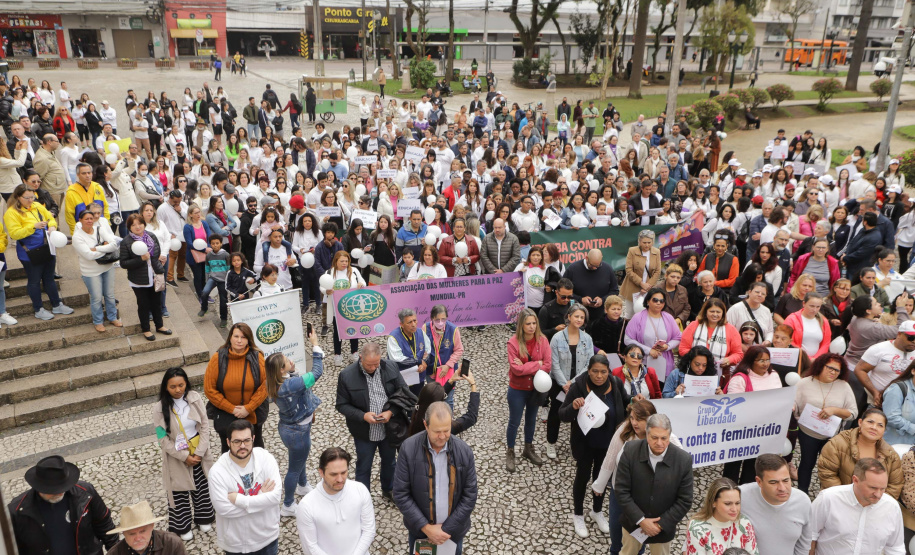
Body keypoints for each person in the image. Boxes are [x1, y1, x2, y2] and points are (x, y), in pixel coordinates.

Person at [393, 402, 478, 554]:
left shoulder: (464, 452)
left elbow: (470, 495)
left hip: (452, 534)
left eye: (446, 430)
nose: (442, 436)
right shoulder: (408, 449)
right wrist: (426, 528)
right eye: (437, 431)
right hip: (420, 533)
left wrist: (445, 529)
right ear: (425, 425)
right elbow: (400, 493)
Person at [559, 354, 629, 538]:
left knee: (601, 478)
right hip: (585, 443)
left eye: (603, 372)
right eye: (595, 371)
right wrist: (573, 406)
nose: (599, 376)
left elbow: (626, 402)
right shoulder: (578, 387)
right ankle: (578, 514)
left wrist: (635, 403)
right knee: (582, 478)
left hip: (608, 443)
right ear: (588, 371)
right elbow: (562, 414)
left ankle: (597, 511)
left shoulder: (616, 384)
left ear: (609, 372)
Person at [335, 342, 407, 499]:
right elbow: (341, 405)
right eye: (369, 365)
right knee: (364, 465)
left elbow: (403, 393)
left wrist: (391, 412)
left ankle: (389, 490)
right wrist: (362, 416)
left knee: (390, 462)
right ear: (360, 358)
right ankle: (363, 497)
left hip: (389, 428)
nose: (374, 368)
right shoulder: (346, 375)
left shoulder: (391, 367)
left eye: (377, 364)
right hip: (363, 432)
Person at [615, 413, 694, 555]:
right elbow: (621, 491)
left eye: (664, 438)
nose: (659, 443)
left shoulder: (683, 460)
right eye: (654, 437)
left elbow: (685, 500)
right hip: (633, 523)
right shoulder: (630, 451)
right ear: (646, 435)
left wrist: (660, 524)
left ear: (669, 436)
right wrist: (641, 520)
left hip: (662, 530)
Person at [266, 329, 324, 517]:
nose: (291, 360)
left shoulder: (277, 382)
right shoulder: (291, 385)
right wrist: (315, 344)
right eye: (286, 361)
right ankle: (288, 505)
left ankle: (302, 485)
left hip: (291, 428)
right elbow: (316, 372)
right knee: (294, 467)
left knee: (299, 459)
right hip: (297, 431)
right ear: (281, 370)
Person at [8, 455, 117, 555]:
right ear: (38, 487)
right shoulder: (17, 511)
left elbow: (104, 525)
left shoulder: (86, 493)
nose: (60, 492)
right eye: (53, 490)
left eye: (63, 487)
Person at [153, 368, 215, 540]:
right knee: (179, 491)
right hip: (176, 455)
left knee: (202, 486)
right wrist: (184, 457)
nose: (178, 389)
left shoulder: (194, 398)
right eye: (173, 386)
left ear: (186, 383)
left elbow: (204, 426)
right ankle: (182, 525)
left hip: (198, 451)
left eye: (181, 385)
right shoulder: (158, 409)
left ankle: (204, 517)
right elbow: (162, 439)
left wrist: (200, 453)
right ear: (166, 387)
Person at [207, 419, 282, 555]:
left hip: (267, 538)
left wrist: (240, 501)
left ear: (253, 439)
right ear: (228, 442)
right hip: (236, 545)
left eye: (247, 440)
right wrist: (261, 498)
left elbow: (276, 497)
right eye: (237, 442)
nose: (243, 446)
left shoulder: (266, 459)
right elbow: (224, 509)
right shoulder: (217, 471)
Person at [4, 184, 73, 321]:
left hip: (47, 247)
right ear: (18, 197)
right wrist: (33, 227)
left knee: (49, 278)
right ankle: (38, 309)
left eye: (32, 196)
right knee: (34, 281)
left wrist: (52, 227)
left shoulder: (37, 206)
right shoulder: (11, 213)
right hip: (29, 252)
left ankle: (57, 304)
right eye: (27, 198)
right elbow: (14, 234)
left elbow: (50, 218)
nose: (30, 200)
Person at [809, 458, 905, 554]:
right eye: (873, 488)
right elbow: (809, 536)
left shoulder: (892, 508)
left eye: (883, 489)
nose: (878, 494)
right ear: (855, 480)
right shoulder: (828, 499)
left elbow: (895, 549)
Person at [793, 353, 858, 493]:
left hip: (831, 436)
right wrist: (791, 406)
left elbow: (853, 413)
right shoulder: (804, 383)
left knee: (829, 468)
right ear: (820, 366)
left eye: (837, 370)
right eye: (830, 368)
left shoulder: (844, 386)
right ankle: (802, 493)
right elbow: (794, 403)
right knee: (806, 463)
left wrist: (834, 410)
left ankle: (826, 496)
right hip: (808, 433)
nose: (833, 372)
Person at [294, 447, 375, 555]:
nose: (340, 479)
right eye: (333, 474)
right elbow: (310, 546)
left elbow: (369, 530)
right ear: (321, 472)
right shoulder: (307, 506)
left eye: (344, 472)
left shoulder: (360, 490)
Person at [203, 322, 269, 452]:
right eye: (236, 336)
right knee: (229, 455)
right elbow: (209, 389)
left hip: (251, 417)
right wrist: (232, 409)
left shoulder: (257, 357)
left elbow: (266, 384)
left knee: (255, 454)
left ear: (248, 340)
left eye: (243, 337)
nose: (239, 340)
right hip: (227, 418)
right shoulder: (218, 358)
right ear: (230, 338)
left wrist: (248, 408)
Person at [723, 346, 782, 484]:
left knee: (753, 466)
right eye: (761, 360)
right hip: (740, 431)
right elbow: (734, 406)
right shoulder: (740, 379)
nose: (765, 364)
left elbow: (780, 397)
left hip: (761, 431)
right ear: (751, 361)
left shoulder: (774, 375)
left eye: (767, 360)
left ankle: (745, 497)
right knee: (732, 467)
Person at [818, 408, 904, 498]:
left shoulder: (891, 455)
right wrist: (846, 499)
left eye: (880, 425)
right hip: (839, 499)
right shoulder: (837, 444)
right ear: (860, 422)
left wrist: (876, 502)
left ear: (884, 430)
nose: (874, 427)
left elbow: (895, 485)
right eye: (870, 422)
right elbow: (827, 473)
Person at [505, 307, 552, 472]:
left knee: (531, 421)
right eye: (528, 324)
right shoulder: (513, 343)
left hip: (535, 390)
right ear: (521, 325)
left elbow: (547, 365)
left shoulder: (543, 340)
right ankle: (510, 451)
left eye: (534, 323)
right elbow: (516, 370)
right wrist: (536, 365)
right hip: (517, 389)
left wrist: (525, 366)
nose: (532, 327)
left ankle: (528, 448)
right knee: (514, 422)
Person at [738, 454, 813, 555]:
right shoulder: (739, 497)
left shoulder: (803, 501)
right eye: (773, 482)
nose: (782, 488)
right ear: (759, 482)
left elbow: (804, 544)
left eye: (786, 480)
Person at [547, 303, 595, 459]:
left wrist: (572, 383)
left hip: (579, 383)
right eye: (577, 316)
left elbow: (589, 363)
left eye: (582, 317)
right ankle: (551, 442)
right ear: (569, 316)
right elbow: (553, 363)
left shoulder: (587, 338)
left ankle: (576, 446)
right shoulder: (557, 338)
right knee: (555, 412)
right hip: (558, 383)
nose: (579, 319)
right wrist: (564, 383)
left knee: (578, 413)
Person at [120, 213, 171, 340]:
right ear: (129, 227)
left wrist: (159, 263)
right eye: (134, 225)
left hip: (154, 274)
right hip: (139, 279)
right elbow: (123, 263)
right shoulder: (126, 242)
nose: (138, 227)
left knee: (156, 302)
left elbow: (157, 251)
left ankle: (159, 325)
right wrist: (141, 259)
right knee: (143, 304)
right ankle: (146, 329)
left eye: (140, 223)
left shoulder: (151, 236)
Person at [683, 477, 759, 554]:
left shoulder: (744, 523)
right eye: (728, 504)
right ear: (713, 502)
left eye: (737, 503)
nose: (734, 509)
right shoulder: (698, 529)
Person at [624, 287, 682, 383]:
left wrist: (667, 346)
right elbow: (628, 339)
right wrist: (648, 350)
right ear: (647, 301)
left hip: (664, 362)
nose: (658, 303)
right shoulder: (638, 317)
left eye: (662, 301)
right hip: (643, 362)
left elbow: (678, 337)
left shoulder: (669, 318)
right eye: (655, 300)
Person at [855, 321, 915, 408]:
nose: (914, 341)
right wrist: (874, 392)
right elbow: (860, 370)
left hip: (904, 404)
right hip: (876, 402)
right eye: (911, 337)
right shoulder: (879, 349)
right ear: (899, 334)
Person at [105, 501, 187, 555]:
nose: (138, 538)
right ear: (123, 533)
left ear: (152, 526)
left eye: (142, 531)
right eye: (132, 534)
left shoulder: (173, 544)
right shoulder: (114, 553)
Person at [565, 248, 620, 322]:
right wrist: (580, 299)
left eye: (597, 266)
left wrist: (603, 300)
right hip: (578, 316)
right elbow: (563, 291)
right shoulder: (573, 269)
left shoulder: (607, 269)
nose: (594, 268)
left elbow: (614, 290)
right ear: (586, 258)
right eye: (592, 265)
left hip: (600, 317)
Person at [620, 230, 661, 318]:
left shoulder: (656, 252)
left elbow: (657, 271)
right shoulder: (632, 251)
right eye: (644, 242)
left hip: (649, 287)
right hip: (633, 286)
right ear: (639, 242)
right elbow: (629, 270)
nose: (647, 245)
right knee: (629, 314)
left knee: (647, 313)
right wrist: (641, 283)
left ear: (653, 242)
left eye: (649, 242)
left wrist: (648, 286)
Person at [783, 292, 832, 359]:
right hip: (796, 358)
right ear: (804, 304)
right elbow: (788, 341)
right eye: (811, 306)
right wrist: (807, 358)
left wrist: (816, 359)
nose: (814, 310)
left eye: (818, 307)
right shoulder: (791, 319)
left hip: (816, 361)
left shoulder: (824, 321)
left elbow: (826, 343)